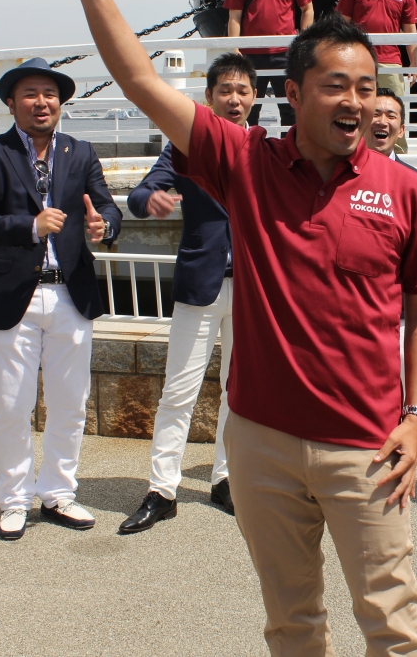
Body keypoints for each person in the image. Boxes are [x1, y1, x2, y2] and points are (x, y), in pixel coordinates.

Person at [52, 0, 417, 655]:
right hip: (261, 444)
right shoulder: (247, 163)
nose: (356, 102)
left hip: (367, 447)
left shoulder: (408, 192)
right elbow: (142, 83)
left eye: (367, 88)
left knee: (396, 628)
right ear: (295, 92)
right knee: (291, 623)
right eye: (336, 86)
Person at [0, 57, 123, 542]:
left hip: (71, 292)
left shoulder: (80, 151)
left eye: (49, 94)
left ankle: (58, 492)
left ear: (61, 102)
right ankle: (13, 499)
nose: (41, 102)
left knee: (71, 402)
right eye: (30, 94)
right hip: (13, 295)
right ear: (12, 103)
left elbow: (106, 205)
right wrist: (29, 226)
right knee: (12, 405)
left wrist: (105, 225)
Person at [119, 53, 255, 533]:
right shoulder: (184, 145)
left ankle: (226, 479)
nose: (234, 99)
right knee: (179, 390)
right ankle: (162, 490)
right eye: (225, 91)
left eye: (242, 91)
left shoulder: (266, 149)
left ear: (254, 98)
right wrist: (150, 200)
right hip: (200, 286)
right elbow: (140, 193)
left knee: (238, 393)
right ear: (209, 98)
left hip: (252, 292)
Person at [226, 0, 314, 128]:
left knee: (290, 108)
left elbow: (307, 9)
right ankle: (248, 146)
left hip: (284, 53)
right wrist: (234, 48)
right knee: (249, 108)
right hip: (250, 54)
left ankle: (289, 148)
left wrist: (303, 41)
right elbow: (234, 16)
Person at [338, 0, 417, 154]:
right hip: (359, 61)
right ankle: (357, 150)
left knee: (394, 108)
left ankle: (398, 153)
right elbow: (341, 26)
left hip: (391, 61)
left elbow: (410, 32)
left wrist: (413, 63)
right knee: (360, 106)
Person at [366, 87, 417, 180]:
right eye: (375, 114)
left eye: (391, 116)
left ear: (401, 131)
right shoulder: (343, 177)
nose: (382, 122)